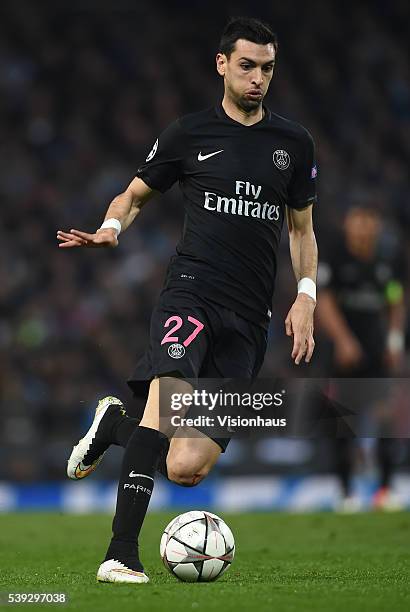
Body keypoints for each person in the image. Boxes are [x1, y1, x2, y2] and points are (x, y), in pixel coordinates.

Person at [57, 17, 318, 584]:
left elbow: (302, 230)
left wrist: (305, 296)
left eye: (267, 68)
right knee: (165, 402)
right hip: (191, 294)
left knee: (186, 466)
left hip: (250, 319)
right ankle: (120, 553)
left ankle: (112, 427)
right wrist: (111, 227)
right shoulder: (187, 135)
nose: (258, 78)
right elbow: (134, 195)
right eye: (247, 65)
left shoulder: (292, 143)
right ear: (222, 64)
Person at [316, 205, 406, 511]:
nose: (363, 226)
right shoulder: (335, 256)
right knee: (343, 423)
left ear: (376, 224)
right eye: (357, 219)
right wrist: (343, 340)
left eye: (368, 220)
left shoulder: (389, 260)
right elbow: (324, 301)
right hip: (343, 357)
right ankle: (346, 491)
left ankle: (384, 489)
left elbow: (395, 299)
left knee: (386, 418)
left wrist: (394, 341)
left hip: (378, 354)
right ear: (347, 223)